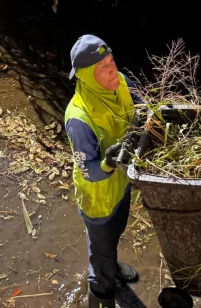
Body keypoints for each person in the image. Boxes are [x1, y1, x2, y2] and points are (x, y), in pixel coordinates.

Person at [64, 34, 140, 308]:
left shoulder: (121, 83)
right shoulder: (79, 118)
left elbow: (140, 106)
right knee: (100, 250)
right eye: (104, 68)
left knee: (115, 234)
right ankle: (100, 295)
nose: (113, 71)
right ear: (85, 75)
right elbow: (89, 171)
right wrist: (109, 162)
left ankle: (112, 266)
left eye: (112, 61)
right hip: (98, 199)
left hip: (121, 187)